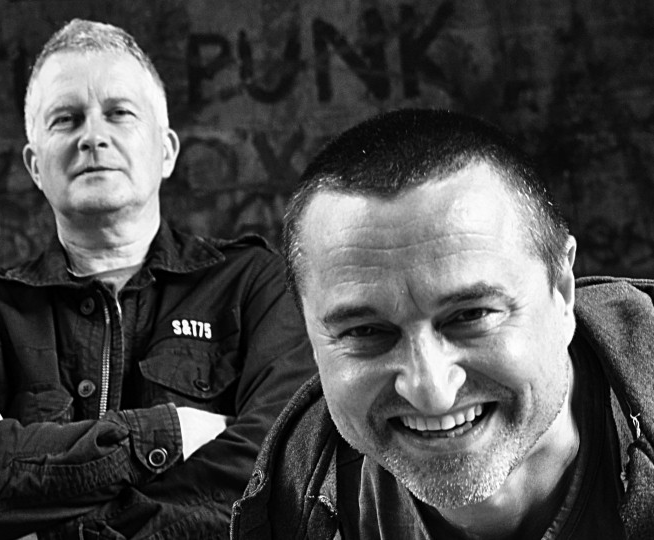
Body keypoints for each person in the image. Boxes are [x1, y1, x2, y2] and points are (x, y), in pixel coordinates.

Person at [0, 19, 315, 539]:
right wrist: (172, 433)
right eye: (66, 119)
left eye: (119, 113)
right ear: (35, 166)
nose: (92, 136)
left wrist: (34, 508)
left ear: (167, 151)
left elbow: (281, 472)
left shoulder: (253, 286)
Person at [230, 108, 654, 539]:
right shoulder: (294, 505)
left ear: (561, 292)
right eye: (365, 332)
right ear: (311, 338)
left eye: (471, 316)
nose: (431, 391)